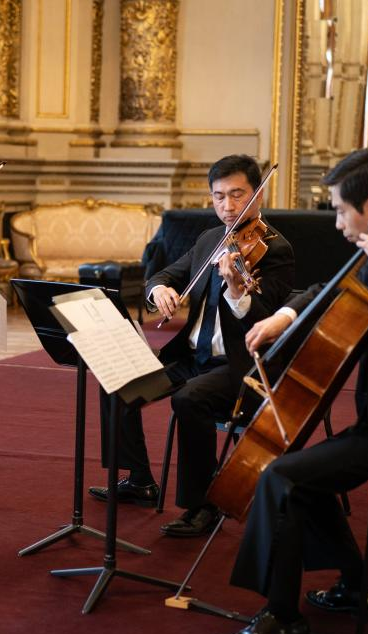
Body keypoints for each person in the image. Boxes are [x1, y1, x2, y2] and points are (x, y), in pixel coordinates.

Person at [211, 146, 368, 634]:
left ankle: (281, 617)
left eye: (341, 210)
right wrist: (284, 316)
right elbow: (327, 289)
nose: (338, 224)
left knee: (281, 475)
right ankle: (354, 586)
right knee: (303, 473)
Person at [87, 155, 295, 538]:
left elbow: (265, 321)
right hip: (192, 357)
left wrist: (236, 291)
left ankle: (203, 505)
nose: (228, 207)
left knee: (190, 399)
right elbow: (165, 274)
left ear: (258, 193)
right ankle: (140, 480)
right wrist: (159, 289)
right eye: (219, 197)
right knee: (116, 378)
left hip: (240, 366)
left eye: (237, 195)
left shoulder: (275, 250)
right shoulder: (209, 240)